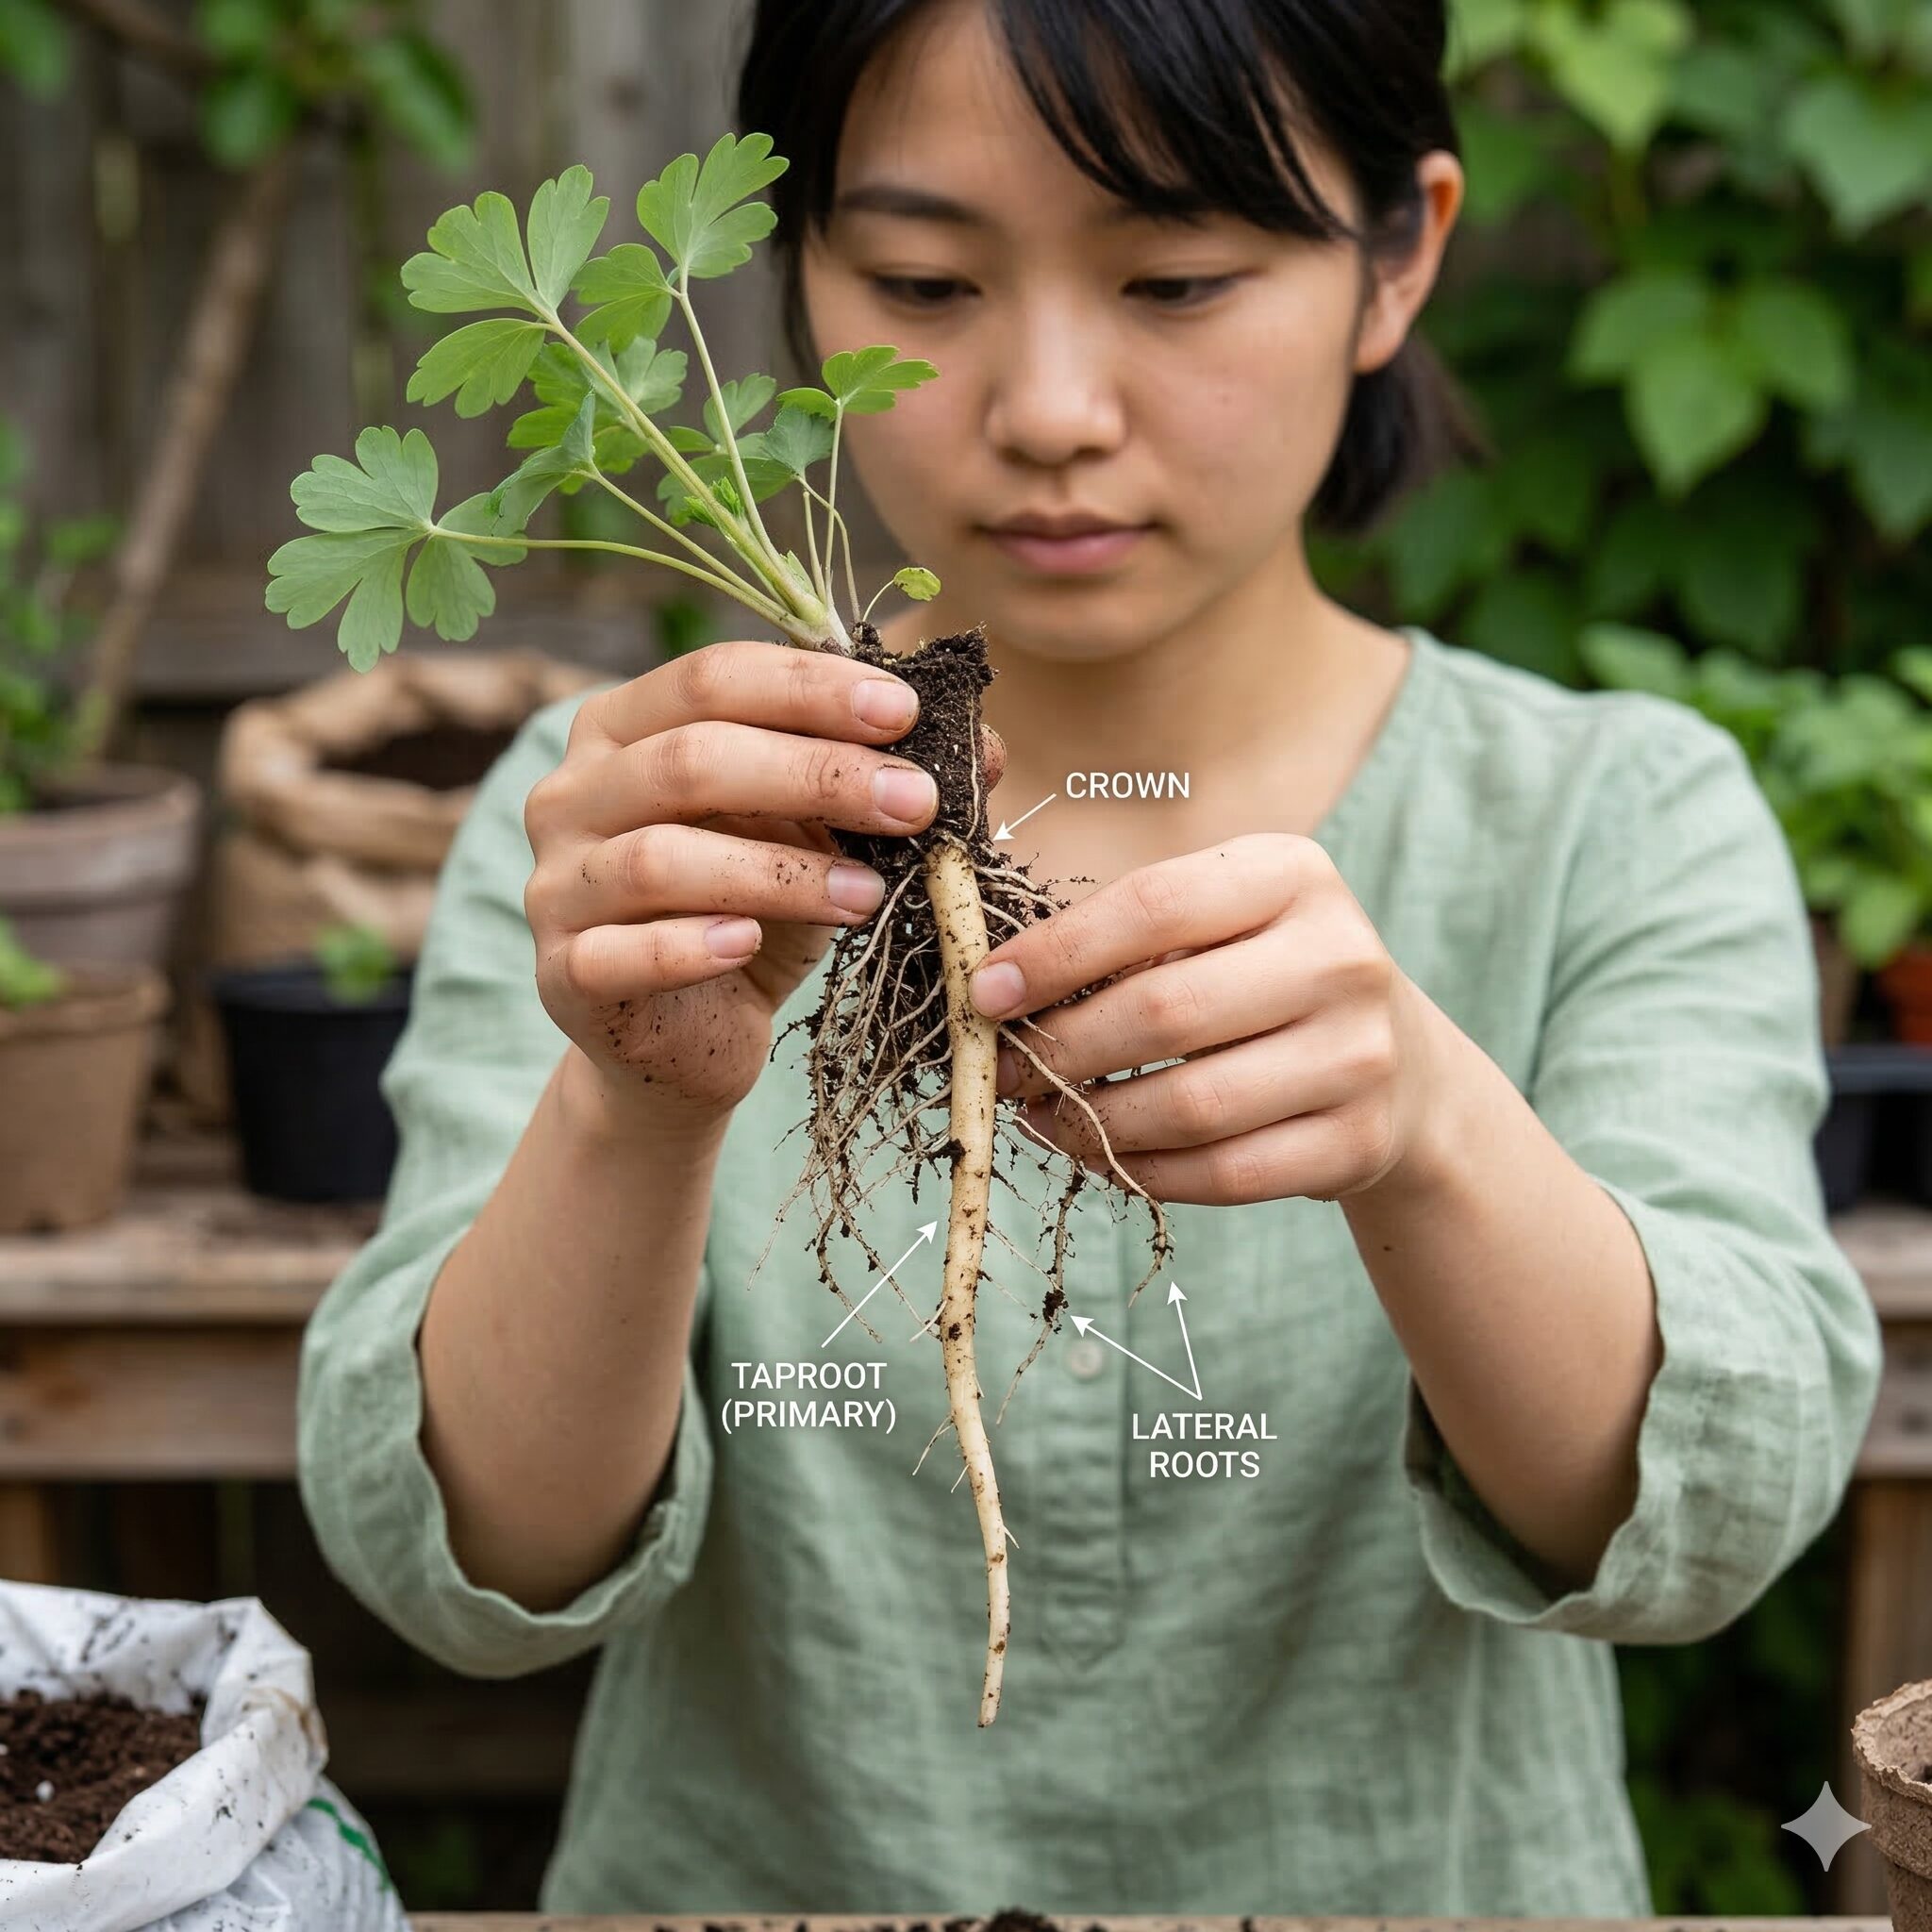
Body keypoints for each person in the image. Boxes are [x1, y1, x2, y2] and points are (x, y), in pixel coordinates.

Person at [297, 0, 1885, 1914]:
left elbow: (1707, 1521)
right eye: (925, 278)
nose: (1048, 404)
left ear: (1401, 256)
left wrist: (1431, 1132)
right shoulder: (627, 838)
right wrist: (632, 1105)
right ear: (795, 274)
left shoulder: (1610, 820)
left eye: (1177, 278)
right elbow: (473, 1568)